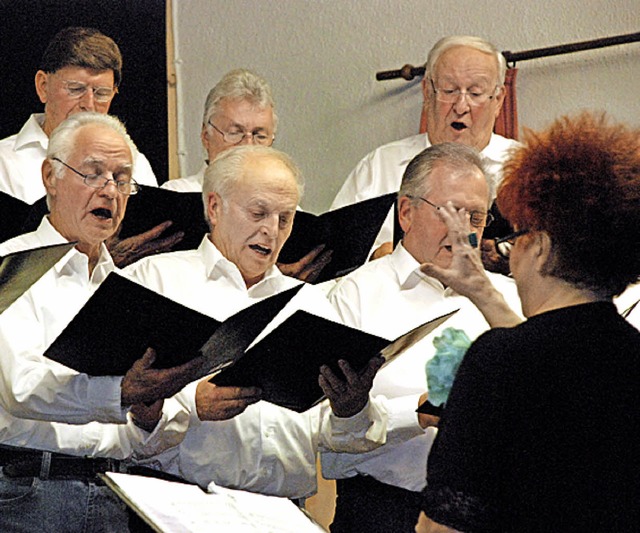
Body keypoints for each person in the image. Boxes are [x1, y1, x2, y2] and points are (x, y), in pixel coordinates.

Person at [0, 112, 258, 532]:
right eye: (93, 173)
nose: (110, 191)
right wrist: (120, 391)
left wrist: (148, 408)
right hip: (31, 493)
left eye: (122, 179)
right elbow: (21, 389)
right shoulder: (12, 266)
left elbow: (147, 438)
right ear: (50, 176)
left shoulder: (124, 286)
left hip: (117, 493)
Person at [126, 145, 425, 500]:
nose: (272, 230)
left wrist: (351, 409)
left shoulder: (311, 302)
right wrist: (192, 404)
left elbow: (332, 438)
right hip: (179, 504)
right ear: (214, 207)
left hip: (283, 510)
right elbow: (117, 415)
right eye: (258, 213)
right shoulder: (154, 280)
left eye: (285, 218)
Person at [415, 112, 640, 532]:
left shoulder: (499, 360)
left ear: (539, 247)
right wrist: (483, 292)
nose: (510, 254)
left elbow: (442, 526)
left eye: (514, 238)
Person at [322, 143, 521, 532]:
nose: (463, 230)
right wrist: (413, 413)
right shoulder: (353, 294)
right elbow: (324, 432)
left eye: (476, 216)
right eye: (448, 212)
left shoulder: (509, 298)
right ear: (407, 212)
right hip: (382, 512)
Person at [331, 35, 519, 269]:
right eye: (449, 90)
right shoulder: (381, 166)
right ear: (427, 92)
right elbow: (332, 260)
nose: (461, 107)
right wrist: (377, 262)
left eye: (475, 93)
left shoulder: (526, 170)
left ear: (498, 99)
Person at [0, 26, 180, 266]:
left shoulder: (133, 161)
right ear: (43, 86)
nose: (89, 104)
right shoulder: (4, 161)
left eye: (102, 93)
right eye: (75, 90)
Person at [163, 68, 331, 281]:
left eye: (260, 136)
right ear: (206, 136)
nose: (248, 145)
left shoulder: (285, 208)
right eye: (235, 133)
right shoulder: (174, 195)